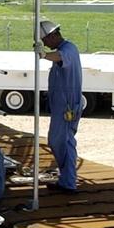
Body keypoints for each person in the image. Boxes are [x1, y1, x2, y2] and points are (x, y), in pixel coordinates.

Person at [38, 19, 82, 192]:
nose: (45, 44)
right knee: (62, 142)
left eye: (45, 40)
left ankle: (69, 181)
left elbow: (59, 58)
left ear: (53, 35)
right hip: (63, 107)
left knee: (61, 142)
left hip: (67, 108)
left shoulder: (68, 50)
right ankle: (67, 179)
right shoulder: (64, 49)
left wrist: (43, 55)